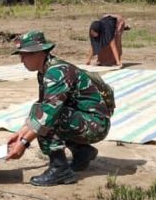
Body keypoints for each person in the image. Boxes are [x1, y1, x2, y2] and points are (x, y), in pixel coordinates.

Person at [6, 30, 111, 186]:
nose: (22, 60)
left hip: (96, 124)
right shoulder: (45, 71)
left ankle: (59, 168)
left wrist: (23, 144)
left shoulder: (56, 73)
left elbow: (47, 115)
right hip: (86, 120)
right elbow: (41, 106)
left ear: (39, 52)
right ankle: (83, 152)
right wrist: (21, 132)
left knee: (50, 119)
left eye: (24, 55)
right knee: (40, 110)